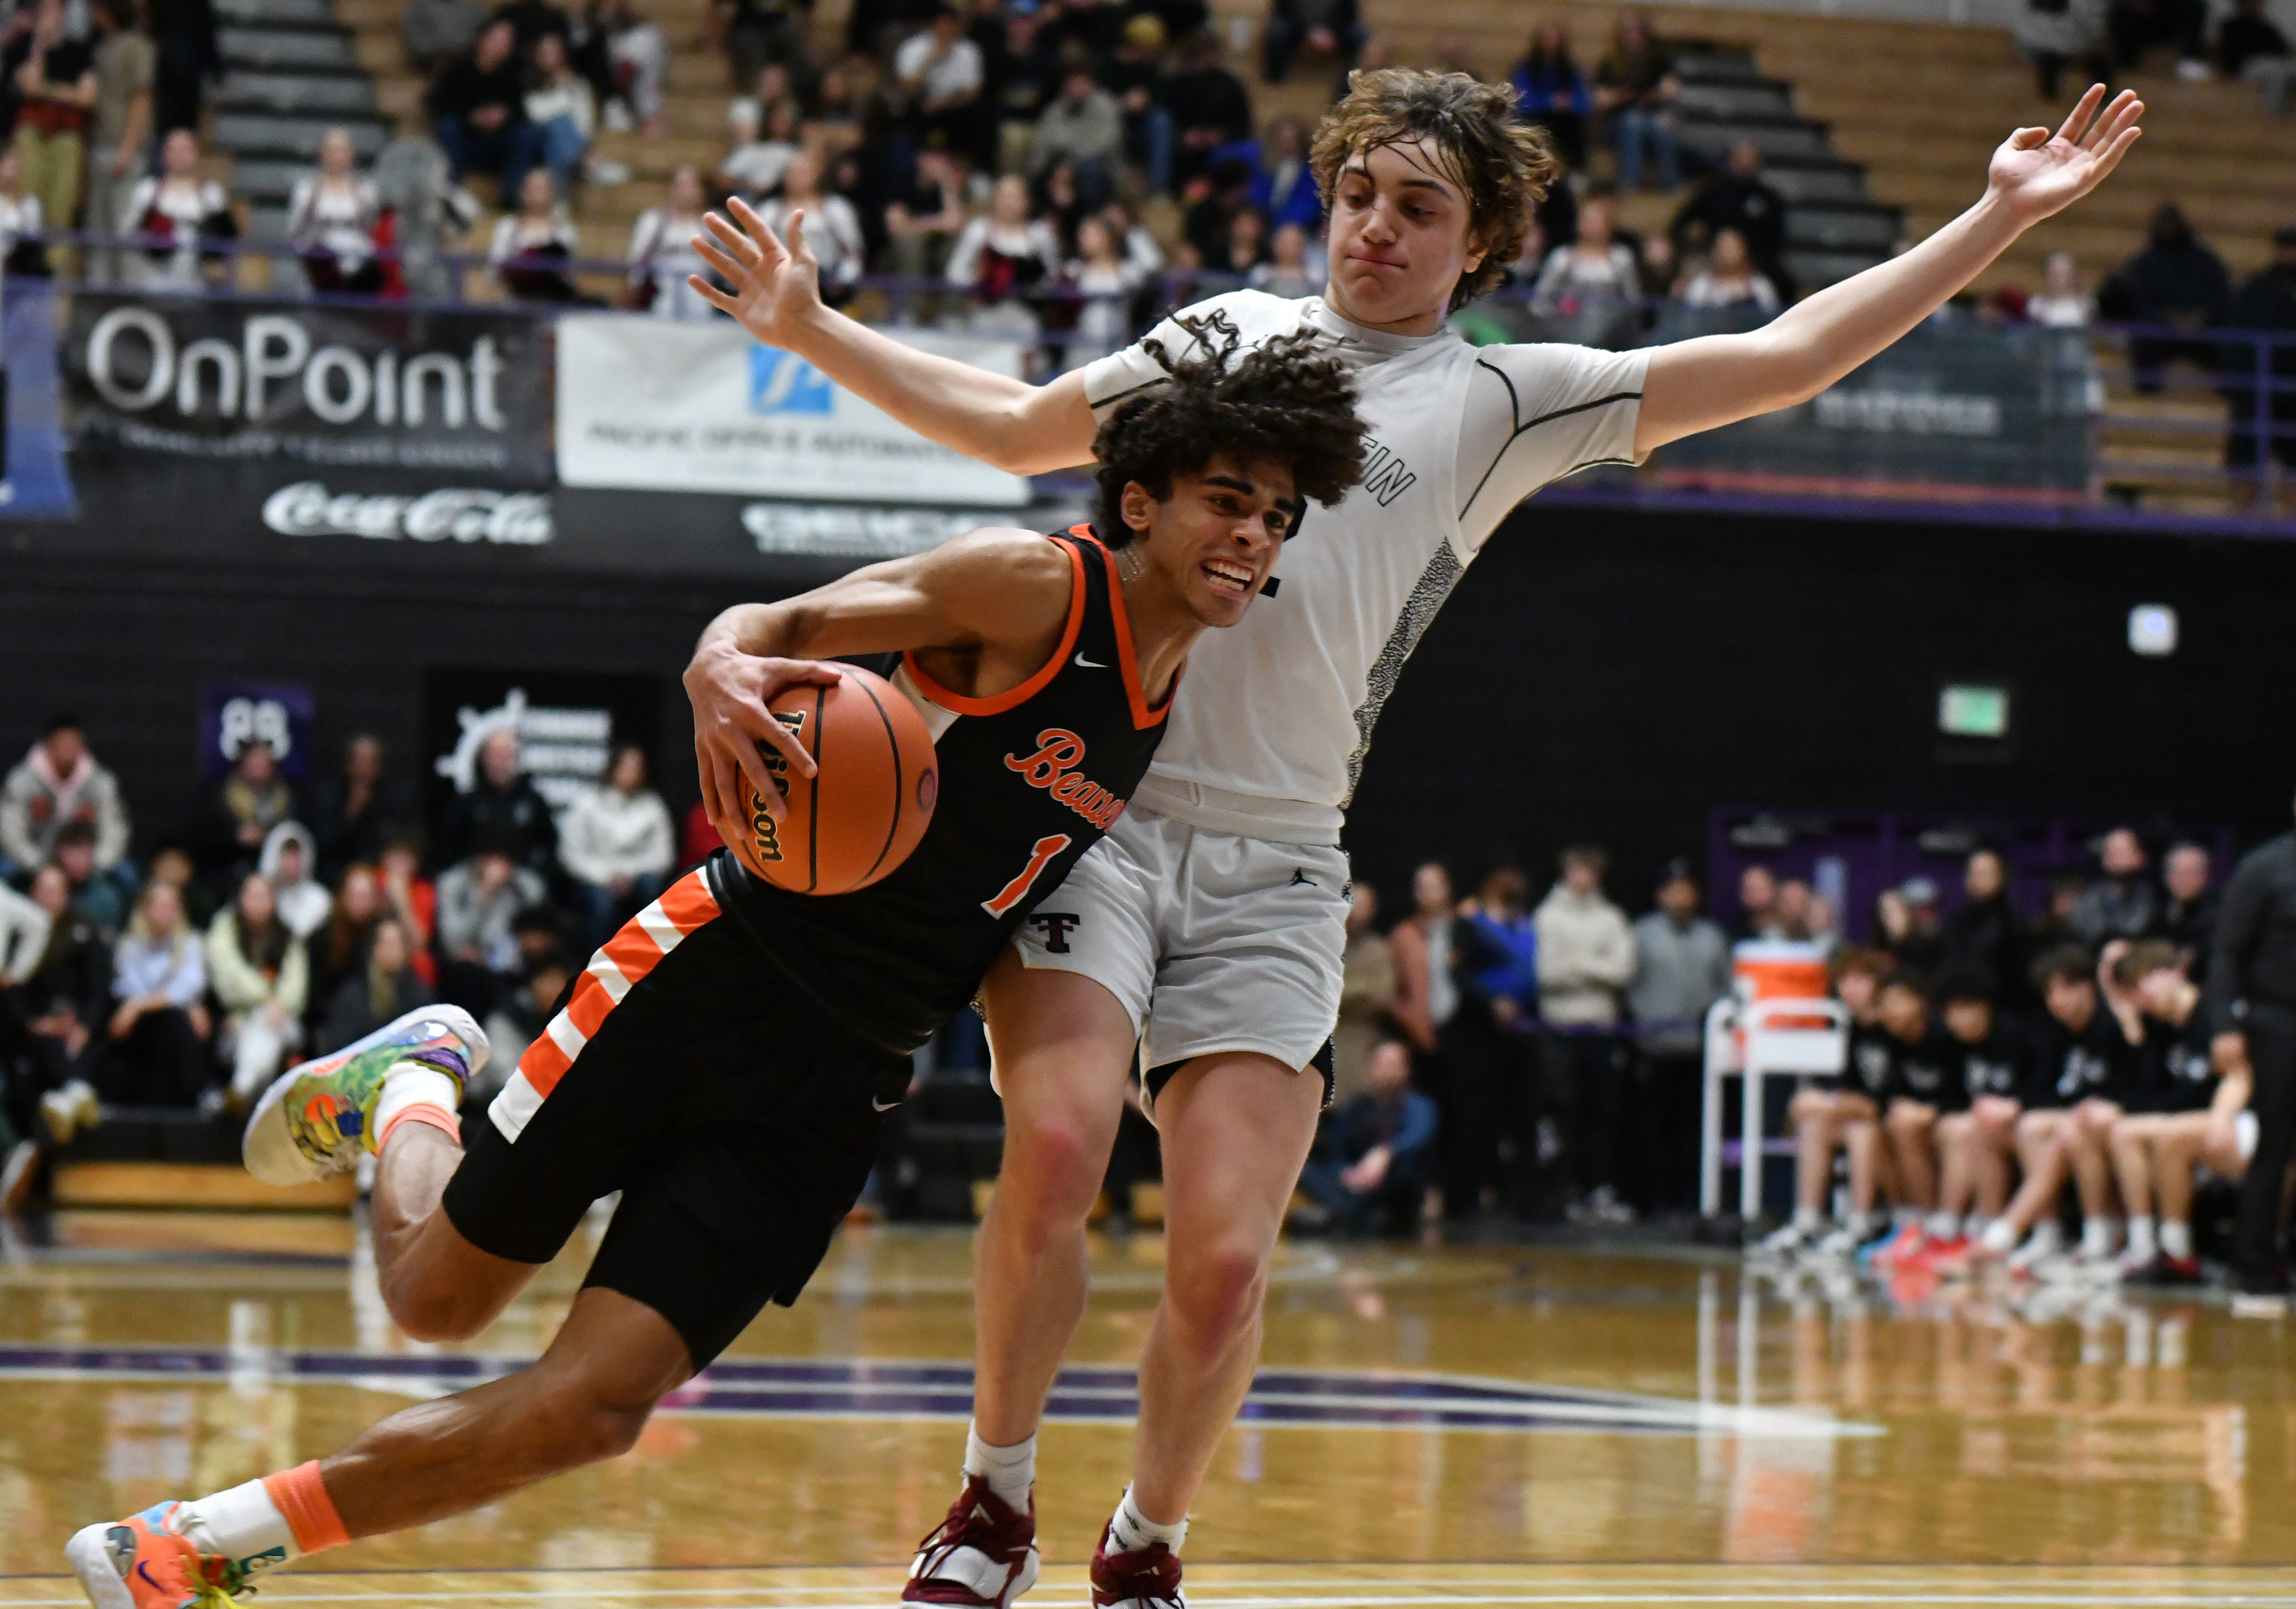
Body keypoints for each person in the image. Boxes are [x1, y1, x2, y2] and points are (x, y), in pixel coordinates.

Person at [684, 65, 2144, 1604]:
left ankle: (1145, 1544)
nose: (1373, 230)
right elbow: (1010, 431)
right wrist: (809, 328)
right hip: (1100, 815)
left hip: (1280, 865)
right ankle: (990, 1505)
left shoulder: (1500, 402)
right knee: (1049, 1147)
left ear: (1479, 244)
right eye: (1357, 195)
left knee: (1225, 1262)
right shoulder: (1227, 334)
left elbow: (1780, 357)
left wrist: (1989, 216)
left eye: (1417, 208)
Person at [65, 320, 1368, 1606]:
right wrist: (715, 660)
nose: (1252, 536)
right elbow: (779, 616)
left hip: (839, 1078)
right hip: (719, 968)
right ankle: (410, 1083)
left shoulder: (1168, 695)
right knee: (435, 1299)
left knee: (596, 1406)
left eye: (1274, 515)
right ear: (1139, 499)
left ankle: (187, 1545)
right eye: (1224, 501)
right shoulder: (1036, 587)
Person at [1973, 944, 2137, 1271]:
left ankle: (2097, 1232)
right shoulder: (2054, 1032)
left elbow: (2133, 1083)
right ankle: (2046, 1231)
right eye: (2050, 992)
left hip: (2117, 1118)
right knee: (2026, 1126)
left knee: (2069, 1131)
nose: (2056, 1000)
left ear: (2088, 987)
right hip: (2079, 1118)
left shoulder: (2115, 1025)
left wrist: (2111, 1106)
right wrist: (2012, 1106)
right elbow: (2044, 1089)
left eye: (2065, 988)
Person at [2103, 938, 2243, 1283]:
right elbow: (2146, 1095)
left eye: (2148, 980)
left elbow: (2231, 1082)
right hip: (2195, 1121)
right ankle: (2153, 1246)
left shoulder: (2215, 1014)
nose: (2142, 996)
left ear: (2177, 972)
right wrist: (2134, 1031)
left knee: (2148, 1132)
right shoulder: (2161, 1028)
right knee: (2126, 1129)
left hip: (2240, 1119)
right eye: (2134, 989)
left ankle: (2167, 1248)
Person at [1754, 947, 1897, 1259]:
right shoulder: (1840, 1026)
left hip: (1890, 1130)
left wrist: (1835, 1102)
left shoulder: (1893, 1029)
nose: (1852, 988)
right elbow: (1834, 1090)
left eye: (1861, 979)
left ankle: (1863, 1220)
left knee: (1862, 1129)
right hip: (1854, 1117)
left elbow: (1884, 1100)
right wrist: (1827, 1103)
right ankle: (1809, 1219)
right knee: (1816, 1124)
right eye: (1845, 980)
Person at [2210, 796, 2296, 1313]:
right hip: (2278, 1019)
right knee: (2276, 1145)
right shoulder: (2265, 865)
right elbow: (2225, 950)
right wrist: (2224, 1026)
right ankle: (2253, 1268)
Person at [1534, 846, 1634, 1222]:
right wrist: (1597, 968)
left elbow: (1622, 970)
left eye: (1591, 870)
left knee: (1601, 1114)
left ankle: (1599, 1191)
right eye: (1578, 869)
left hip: (1600, 1029)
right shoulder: (1547, 916)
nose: (1584, 877)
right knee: (1563, 1115)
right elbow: (1546, 974)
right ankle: (1566, 1192)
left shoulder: (1611, 917)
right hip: (1559, 1029)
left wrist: (1577, 965)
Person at [1627, 860, 1730, 1217]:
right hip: (1653, 1048)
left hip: (1699, 1052)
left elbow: (1726, 987)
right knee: (1652, 1128)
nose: (1680, 896)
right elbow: (1628, 983)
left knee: (1694, 1130)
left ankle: (1691, 1199)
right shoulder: (1643, 933)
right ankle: (1653, 1199)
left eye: (1687, 888)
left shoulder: (1712, 936)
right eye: (1673, 888)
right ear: (1660, 894)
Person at [1913, 966, 2027, 1269]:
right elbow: (1948, 1095)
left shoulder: (2016, 1036)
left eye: (1965, 1010)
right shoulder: (1952, 1045)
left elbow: (2041, 1085)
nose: (1958, 1020)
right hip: (1979, 1124)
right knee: (1958, 1128)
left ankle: (1981, 1226)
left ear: (1984, 1006)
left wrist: (2015, 1106)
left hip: (2018, 1121)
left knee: (1973, 1130)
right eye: (1951, 1013)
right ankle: (1948, 1226)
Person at [1296, 1037, 1434, 1233]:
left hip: (1395, 1185)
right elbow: (1337, 1150)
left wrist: (1386, 1154)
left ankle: (1344, 1214)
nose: (1386, 1071)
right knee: (1304, 1168)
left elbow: (1418, 1135)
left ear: (1406, 1070)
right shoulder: (1356, 1108)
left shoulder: (1419, 1105)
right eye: (1381, 1064)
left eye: (1393, 1065)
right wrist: (1347, 1173)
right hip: (1355, 1185)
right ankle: (1347, 1213)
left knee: (1408, 1172)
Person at [104, 879, 211, 1108]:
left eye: (171, 907)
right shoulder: (129, 945)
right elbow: (127, 988)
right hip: (142, 1027)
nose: (165, 913)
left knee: (173, 1020)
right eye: (158, 906)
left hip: (169, 1020)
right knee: (164, 1020)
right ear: (145, 910)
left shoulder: (192, 943)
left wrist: (140, 1005)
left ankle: (194, 1098)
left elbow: (192, 985)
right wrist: (149, 1004)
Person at [207, 872, 309, 1108]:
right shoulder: (224, 929)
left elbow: (297, 988)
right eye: (252, 896)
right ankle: (257, 1101)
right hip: (235, 1023)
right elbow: (230, 976)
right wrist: (266, 999)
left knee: (267, 1025)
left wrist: (276, 1005)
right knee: (262, 1028)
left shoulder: (287, 935)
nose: (258, 902)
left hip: (285, 1021)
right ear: (241, 898)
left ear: (274, 901)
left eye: (264, 896)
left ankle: (240, 1090)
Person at [6, 0, 93, 275]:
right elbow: (30, 86)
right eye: (42, 9)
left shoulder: (78, 51)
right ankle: (23, 265)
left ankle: (54, 273)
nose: (48, 16)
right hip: (32, 131)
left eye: (53, 9)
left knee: (61, 206)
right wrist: (38, 47)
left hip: (66, 135)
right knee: (29, 201)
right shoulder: (23, 48)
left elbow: (88, 97)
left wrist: (50, 90)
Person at [558, 744, 674, 949]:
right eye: (626, 767)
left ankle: (648, 960)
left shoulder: (653, 807)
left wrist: (628, 875)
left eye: (637, 768)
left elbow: (663, 856)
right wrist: (607, 876)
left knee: (653, 890)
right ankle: (595, 965)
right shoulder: (587, 803)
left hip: (638, 879)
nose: (631, 774)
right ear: (613, 768)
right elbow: (571, 855)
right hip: (594, 880)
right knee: (602, 903)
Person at [2114, 203, 2229, 394]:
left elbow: (2220, 294)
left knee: (2228, 345)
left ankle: (2229, 393)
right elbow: (2138, 299)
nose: (2169, 229)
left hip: (2200, 329)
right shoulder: (2145, 263)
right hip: (2161, 329)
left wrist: (2199, 317)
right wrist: (2167, 317)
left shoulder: (2203, 260)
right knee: (2145, 342)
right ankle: (2145, 396)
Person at [1, 715, 130, 884]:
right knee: (5, 871)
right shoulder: (21, 782)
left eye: (75, 745)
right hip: (35, 863)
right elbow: (10, 834)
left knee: (128, 876)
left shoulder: (102, 783)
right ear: (47, 746)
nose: (69, 751)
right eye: (62, 744)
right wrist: (40, 865)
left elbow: (115, 831)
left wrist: (95, 864)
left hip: (89, 866)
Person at [2221, 225, 2296, 512]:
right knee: (2245, 477)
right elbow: (2236, 337)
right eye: (2285, 247)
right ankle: (2239, 542)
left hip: (2292, 397)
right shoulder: (2257, 289)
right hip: (2256, 394)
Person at [432, 831, 549, 1015]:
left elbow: (533, 933)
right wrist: (484, 894)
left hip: (510, 966)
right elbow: (452, 942)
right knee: (466, 977)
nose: (498, 867)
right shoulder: (453, 884)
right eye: (491, 859)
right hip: (467, 968)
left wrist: (498, 961)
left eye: (505, 860)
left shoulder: (526, 887)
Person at [428, 19, 541, 192]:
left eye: (508, 42)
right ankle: (450, 192)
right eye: (498, 39)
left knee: (527, 135)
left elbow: (522, 113)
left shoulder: (514, 74)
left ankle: (512, 197)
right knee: (449, 127)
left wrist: (504, 116)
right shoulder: (458, 69)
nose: (502, 46)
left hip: (498, 143)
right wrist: (471, 118)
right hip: (466, 140)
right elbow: (439, 105)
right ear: (483, 39)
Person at [85, 0, 152, 287]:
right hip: (99, 146)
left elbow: (142, 99)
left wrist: (129, 148)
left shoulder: (137, 47)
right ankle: (97, 296)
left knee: (124, 233)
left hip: (123, 149)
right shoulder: (100, 49)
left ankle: (128, 295)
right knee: (98, 231)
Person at [121, 125, 237, 290]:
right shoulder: (147, 191)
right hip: (153, 283)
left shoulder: (211, 194)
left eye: (186, 150)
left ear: (197, 154)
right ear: (164, 154)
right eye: (173, 150)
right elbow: (127, 235)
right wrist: (155, 238)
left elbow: (227, 237)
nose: (179, 156)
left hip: (197, 285)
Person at [1670, 139, 1789, 295]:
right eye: (1741, 158)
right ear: (1733, 160)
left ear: (1759, 163)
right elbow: (1681, 223)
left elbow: (1776, 240)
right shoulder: (1715, 191)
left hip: (1755, 265)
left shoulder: (1768, 200)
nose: (1745, 164)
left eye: (1750, 160)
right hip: (1711, 260)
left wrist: (1753, 262)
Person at [435, 728, 557, 877]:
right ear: (484, 759)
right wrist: (480, 867)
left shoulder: (533, 802)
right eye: (495, 756)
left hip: (519, 873)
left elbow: (548, 846)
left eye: (507, 756)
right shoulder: (467, 801)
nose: (500, 763)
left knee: (534, 888)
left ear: (517, 760)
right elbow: (448, 845)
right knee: (450, 885)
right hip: (472, 873)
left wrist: (513, 868)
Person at [753, 151, 865, 298]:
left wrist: (843, 280)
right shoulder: (769, 211)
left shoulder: (836, 209)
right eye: (794, 173)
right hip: (780, 280)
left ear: (816, 175)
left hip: (826, 283)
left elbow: (853, 253)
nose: (798, 178)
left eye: (804, 173)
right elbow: (754, 247)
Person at [287, 126, 385, 293]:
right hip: (321, 275)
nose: (337, 156)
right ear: (323, 152)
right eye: (332, 150)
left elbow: (376, 232)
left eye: (342, 150)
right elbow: (295, 235)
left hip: (360, 273)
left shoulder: (366, 191)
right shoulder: (307, 191)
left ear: (351, 154)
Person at [320, 913, 432, 1055]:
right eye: (387, 944)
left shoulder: (420, 997)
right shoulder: (352, 997)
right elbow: (337, 1046)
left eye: (398, 944)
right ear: (374, 947)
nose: (392, 951)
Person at [1593, 11, 1677, 192]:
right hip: (1617, 121)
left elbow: (1671, 88)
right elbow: (1599, 99)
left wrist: (1655, 95)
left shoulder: (1657, 61)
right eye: (1629, 32)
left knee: (1663, 127)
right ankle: (1631, 184)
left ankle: (1671, 185)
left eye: (1637, 32)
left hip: (1652, 116)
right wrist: (1620, 96)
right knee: (1632, 122)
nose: (1634, 37)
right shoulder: (1611, 63)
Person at [1330, 882, 1394, 1105]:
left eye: (1363, 906)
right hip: (1327, 1042)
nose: (1356, 911)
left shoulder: (1379, 950)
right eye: (1352, 903)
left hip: (1362, 1045)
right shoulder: (1328, 946)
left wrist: (1340, 991)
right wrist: (1358, 992)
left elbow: (1382, 996)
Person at [896, 5, 984, 156]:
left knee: (976, 115)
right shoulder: (912, 48)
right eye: (942, 24)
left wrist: (942, 103)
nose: (946, 29)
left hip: (954, 108)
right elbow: (907, 88)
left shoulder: (969, 50)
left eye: (951, 24)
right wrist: (931, 61)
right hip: (919, 105)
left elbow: (973, 93)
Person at [627, 162, 713, 315]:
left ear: (701, 190)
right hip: (662, 300)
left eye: (691, 186)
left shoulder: (712, 224)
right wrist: (636, 289)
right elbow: (637, 262)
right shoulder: (653, 221)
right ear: (672, 188)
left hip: (703, 303)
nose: (686, 192)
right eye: (681, 185)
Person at [1939, 847, 2022, 1005]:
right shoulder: (1957, 921)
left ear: (2001, 877)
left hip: (2002, 1010)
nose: (1978, 880)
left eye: (1986, 873)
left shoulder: (2014, 925)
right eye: (1975, 873)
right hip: (1960, 1004)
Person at [489, 166, 584, 300]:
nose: (537, 196)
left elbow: (571, 274)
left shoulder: (566, 232)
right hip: (517, 299)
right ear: (523, 193)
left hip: (554, 301)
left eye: (543, 189)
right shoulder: (507, 227)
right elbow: (494, 270)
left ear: (553, 193)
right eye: (532, 189)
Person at [1510, 21, 1588, 171]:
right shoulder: (1526, 68)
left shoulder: (1571, 69)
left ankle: (1576, 172)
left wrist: (1569, 103)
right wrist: (1550, 101)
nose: (1551, 43)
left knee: (1572, 125)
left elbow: (1584, 102)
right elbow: (1522, 101)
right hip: (1537, 118)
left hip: (1565, 120)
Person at [525, 31, 595, 196]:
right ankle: (581, 164)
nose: (548, 57)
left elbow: (585, 122)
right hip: (537, 142)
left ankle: (575, 164)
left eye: (553, 52)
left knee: (562, 132)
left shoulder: (578, 84)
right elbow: (534, 114)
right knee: (560, 124)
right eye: (543, 52)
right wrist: (563, 97)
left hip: (568, 144)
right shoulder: (528, 82)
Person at [2072, 826, 2158, 947]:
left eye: (2123, 852)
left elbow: (2138, 930)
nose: (2116, 859)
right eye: (2111, 852)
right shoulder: (2090, 898)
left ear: (2140, 857)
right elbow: (2092, 935)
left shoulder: (2152, 897)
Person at [2014, 0, 2110, 101]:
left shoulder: (2076, 10)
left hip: (2077, 52)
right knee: (2047, 63)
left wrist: (2078, 53)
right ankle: (2050, 101)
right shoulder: (2029, 14)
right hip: (2047, 55)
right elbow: (2029, 42)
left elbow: (2087, 36)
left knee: (2101, 62)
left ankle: (2102, 100)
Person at [1673, 227, 1778, 318]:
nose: (1729, 253)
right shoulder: (1702, 284)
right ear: (1715, 252)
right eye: (1724, 248)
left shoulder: (1760, 285)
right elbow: (1691, 318)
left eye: (1734, 248)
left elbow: (1771, 319)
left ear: (1745, 251)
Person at [259, 823, 333, 943]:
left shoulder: (321, 901)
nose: (291, 863)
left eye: (296, 855)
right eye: (286, 855)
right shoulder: (259, 897)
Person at [1260, 0, 1362, 87]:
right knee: (1277, 31)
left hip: (1335, 33)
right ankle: (1274, 81)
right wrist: (1308, 33)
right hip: (1298, 31)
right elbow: (1283, 12)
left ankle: (1353, 82)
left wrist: (1334, 33)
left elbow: (1349, 16)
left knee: (1360, 35)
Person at [2220, 0, 2292, 117]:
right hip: (2249, 67)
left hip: (2275, 63)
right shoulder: (2232, 27)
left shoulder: (2266, 27)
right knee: (2278, 75)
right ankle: (2275, 119)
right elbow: (2229, 57)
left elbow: (2284, 50)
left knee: (2288, 70)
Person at [2159, 840, 2219, 974]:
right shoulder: (2160, 911)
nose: (2184, 880)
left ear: (2206, 876)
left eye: (2191, 873)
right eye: (2177, 873)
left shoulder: (2217, 916)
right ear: (2167, 877)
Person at [404, 0, 486, 71]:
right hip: (437, 61)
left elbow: (486, 36)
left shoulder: (473, 10)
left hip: (471, 58)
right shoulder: (419, 10)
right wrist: (446, 49)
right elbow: (418, 45)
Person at [2029, 250, 2095, 326]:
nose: (2062, 280)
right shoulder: (2037, 305)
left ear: (2075, 276)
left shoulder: (2087, 304)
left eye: (2066, 274)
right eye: (2056, 275)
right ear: (2048, 276)